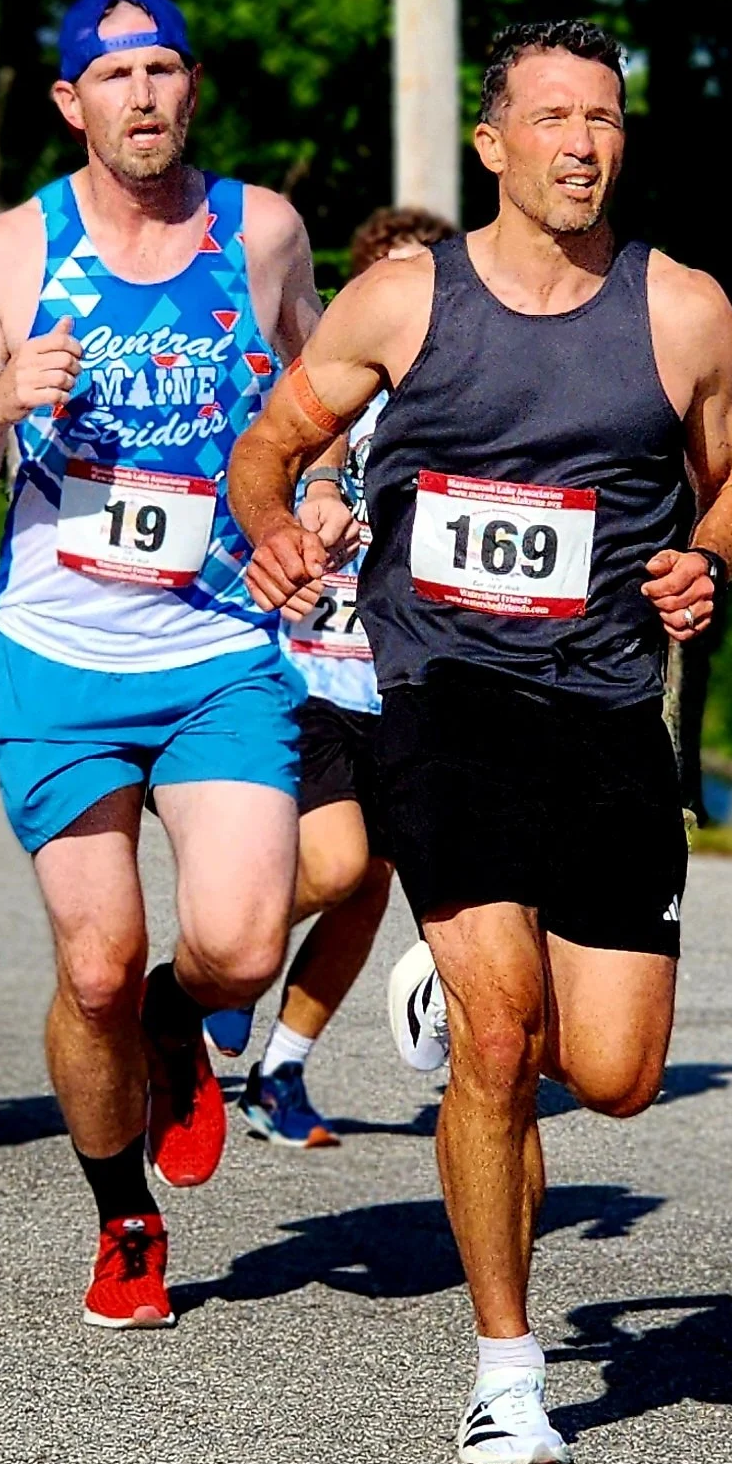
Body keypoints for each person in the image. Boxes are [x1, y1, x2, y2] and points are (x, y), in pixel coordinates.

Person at [229, 16, 732, 1464]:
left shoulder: (683, 309)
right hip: (442, 698)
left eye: (604, 118)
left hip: (602, 710)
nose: (584, 143)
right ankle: (506, 1369)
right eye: (553, 118)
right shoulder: (404, 299)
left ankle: (439, 1002)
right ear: (493, 143)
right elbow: (267, 444)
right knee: (503, 1035)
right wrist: (275, 527)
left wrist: (704, 561)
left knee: (615, 1073)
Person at [0, 0, 340, 1329]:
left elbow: (328, 401)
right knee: (91, 964)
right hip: (58, 647)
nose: (143, 96)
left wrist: (324, 495)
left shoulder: (260, 229)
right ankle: (126, 1222)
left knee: (235, 942)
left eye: (164, 70)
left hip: (222, 640)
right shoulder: (8, 252)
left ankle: (183, 1020)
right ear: (69, 101)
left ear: (191, 86)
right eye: (116, 78)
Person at [240, 206, 459, 1150]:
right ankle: (222, 953)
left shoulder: (462, 403)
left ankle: (277, 1072)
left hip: (404, 687)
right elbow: (241, 494)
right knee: (333, 864)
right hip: (308, 676)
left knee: (368, 883)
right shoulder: (320, 398)